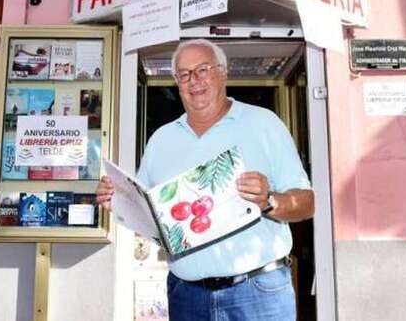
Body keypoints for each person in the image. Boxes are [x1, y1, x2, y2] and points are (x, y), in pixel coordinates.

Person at [96, 39, 314, 320]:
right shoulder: (161, 140)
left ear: (222, 72)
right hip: (186, 296)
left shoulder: (263, 124)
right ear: (176, 81)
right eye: (184, 74)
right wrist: (119, 198)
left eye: (202, 70)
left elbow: (307, 203)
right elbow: (147, 212)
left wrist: (269, 201)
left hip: (257, 296)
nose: (194, 81)